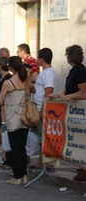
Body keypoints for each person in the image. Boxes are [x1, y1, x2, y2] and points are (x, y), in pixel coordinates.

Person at [48, 45, 86, 181]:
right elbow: (69, 89)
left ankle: (83, 169)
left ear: (69, 57)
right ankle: (81, 169)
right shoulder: (74, 70)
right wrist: (59, 95)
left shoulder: (80, 71)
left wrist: (71, 97)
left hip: (80, 113)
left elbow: (83, 91)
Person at [0, 56, 29, 185]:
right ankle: (23, 174)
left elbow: (0, 101)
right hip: (25, 116)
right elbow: (33, 90)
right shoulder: (26, 79)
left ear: (10, 67)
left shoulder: (8, 83)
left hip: (13, 117)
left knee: (15, 148)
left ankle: (17, 176)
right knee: (22, 147)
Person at [27, 48, 57, 171]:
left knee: (43, 136)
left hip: (41, 109)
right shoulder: (44, 72)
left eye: (38, 57)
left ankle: (47, 163)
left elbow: (48, 91)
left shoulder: (49, 73)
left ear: (42, 59)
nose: (36, 59)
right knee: (41, 137)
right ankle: (41, 161)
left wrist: (42, 111)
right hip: (37, 108)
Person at [0, 57, 12, 171]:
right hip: (0, 110)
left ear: (1, 65)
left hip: (5, 111)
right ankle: (7, 160)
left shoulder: (7, 78)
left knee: (7, 136)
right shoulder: (2, 78)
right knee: (4, 136)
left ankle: (9, 161)